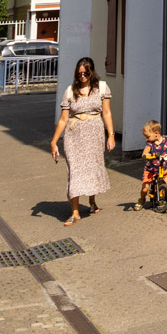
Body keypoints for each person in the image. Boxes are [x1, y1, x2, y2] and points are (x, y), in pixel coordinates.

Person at [50, 57, 115, 225]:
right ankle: (75, 212)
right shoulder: (70, 91)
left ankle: (92, 201)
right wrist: (54, 141)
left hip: (94, 133)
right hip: (74, 135)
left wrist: (111, 135)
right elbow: (63, 119)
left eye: (86, 73)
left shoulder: (102, 88)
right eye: (79, 73)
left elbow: (106, 113)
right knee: (75, 170)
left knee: (92, 167)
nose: (83, 76)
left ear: (91, 72)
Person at [134, 120, 167, 209]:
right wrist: (146, 154)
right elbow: (146, 151)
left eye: (147, 137)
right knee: (145, 188)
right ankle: (141, 200)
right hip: (150, 169)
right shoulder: (150, 144)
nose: (146, 139)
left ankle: (165, 198)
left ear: (156, 133)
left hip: (163, 169)